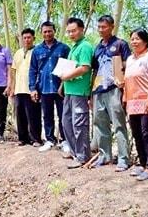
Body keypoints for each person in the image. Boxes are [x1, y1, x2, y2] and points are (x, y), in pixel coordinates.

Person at [91, 14, 131, 169]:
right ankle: (104, 155)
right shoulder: (98, 47)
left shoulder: (121, 44)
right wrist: (91, 93)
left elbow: (127, 67)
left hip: (114, 89)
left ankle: (123, 158)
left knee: (119, 123)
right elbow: (95, 71)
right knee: (100, 124)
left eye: (104, 27)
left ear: (112, 27)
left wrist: (125, 91)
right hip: (98, 90)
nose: (101, 30)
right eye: (99, 27)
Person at [124, 28, 148, 181]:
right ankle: (143, 163)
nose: (134, 41)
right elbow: (127, 80)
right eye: (132, 39)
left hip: (147, 102)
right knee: (137, 134)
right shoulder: (131, 59)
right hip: (132, 103)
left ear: (145, 41)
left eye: (137, 39)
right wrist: (125, 98)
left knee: (147, 134)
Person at [56, 17, 93, 169]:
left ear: (81, 29)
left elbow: (85, 67)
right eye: (69, 31)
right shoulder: (73, 48)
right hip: (69, 90)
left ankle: (83, 156)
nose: (71, 34)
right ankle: (74, 152)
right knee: (66, 122)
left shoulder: (85, 46)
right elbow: (69, 67)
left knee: (79, 124)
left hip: (80, 92)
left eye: (74, 31)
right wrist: (62, 84)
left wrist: (67, 76)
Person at [29, 21, 70, 152]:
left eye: (49, 31)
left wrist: (64, 84)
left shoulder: (63, 48)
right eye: (45, 31)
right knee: (47, 115)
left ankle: (65, 140)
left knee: (63, 114)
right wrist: (33, 88)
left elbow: (69, 67)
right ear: (41, 33)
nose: (47, 34)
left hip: (61, 88)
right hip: (44, 88)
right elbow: (33, 70)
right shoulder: (37, 50)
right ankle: (49, 139)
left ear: (54, 31)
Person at [12, 28, 42, 147]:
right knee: (20, 114)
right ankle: (22, 138)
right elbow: (13, 70)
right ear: (21, 39)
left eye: (29, 37)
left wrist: (35, 87)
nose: (27, 40)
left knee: (34, 114)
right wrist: (12, 87)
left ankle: (36, 139)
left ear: (34, 38)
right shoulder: (18, 53)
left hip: (32, 89)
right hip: (19, 89)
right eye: (24, 38)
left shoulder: (37, 51)